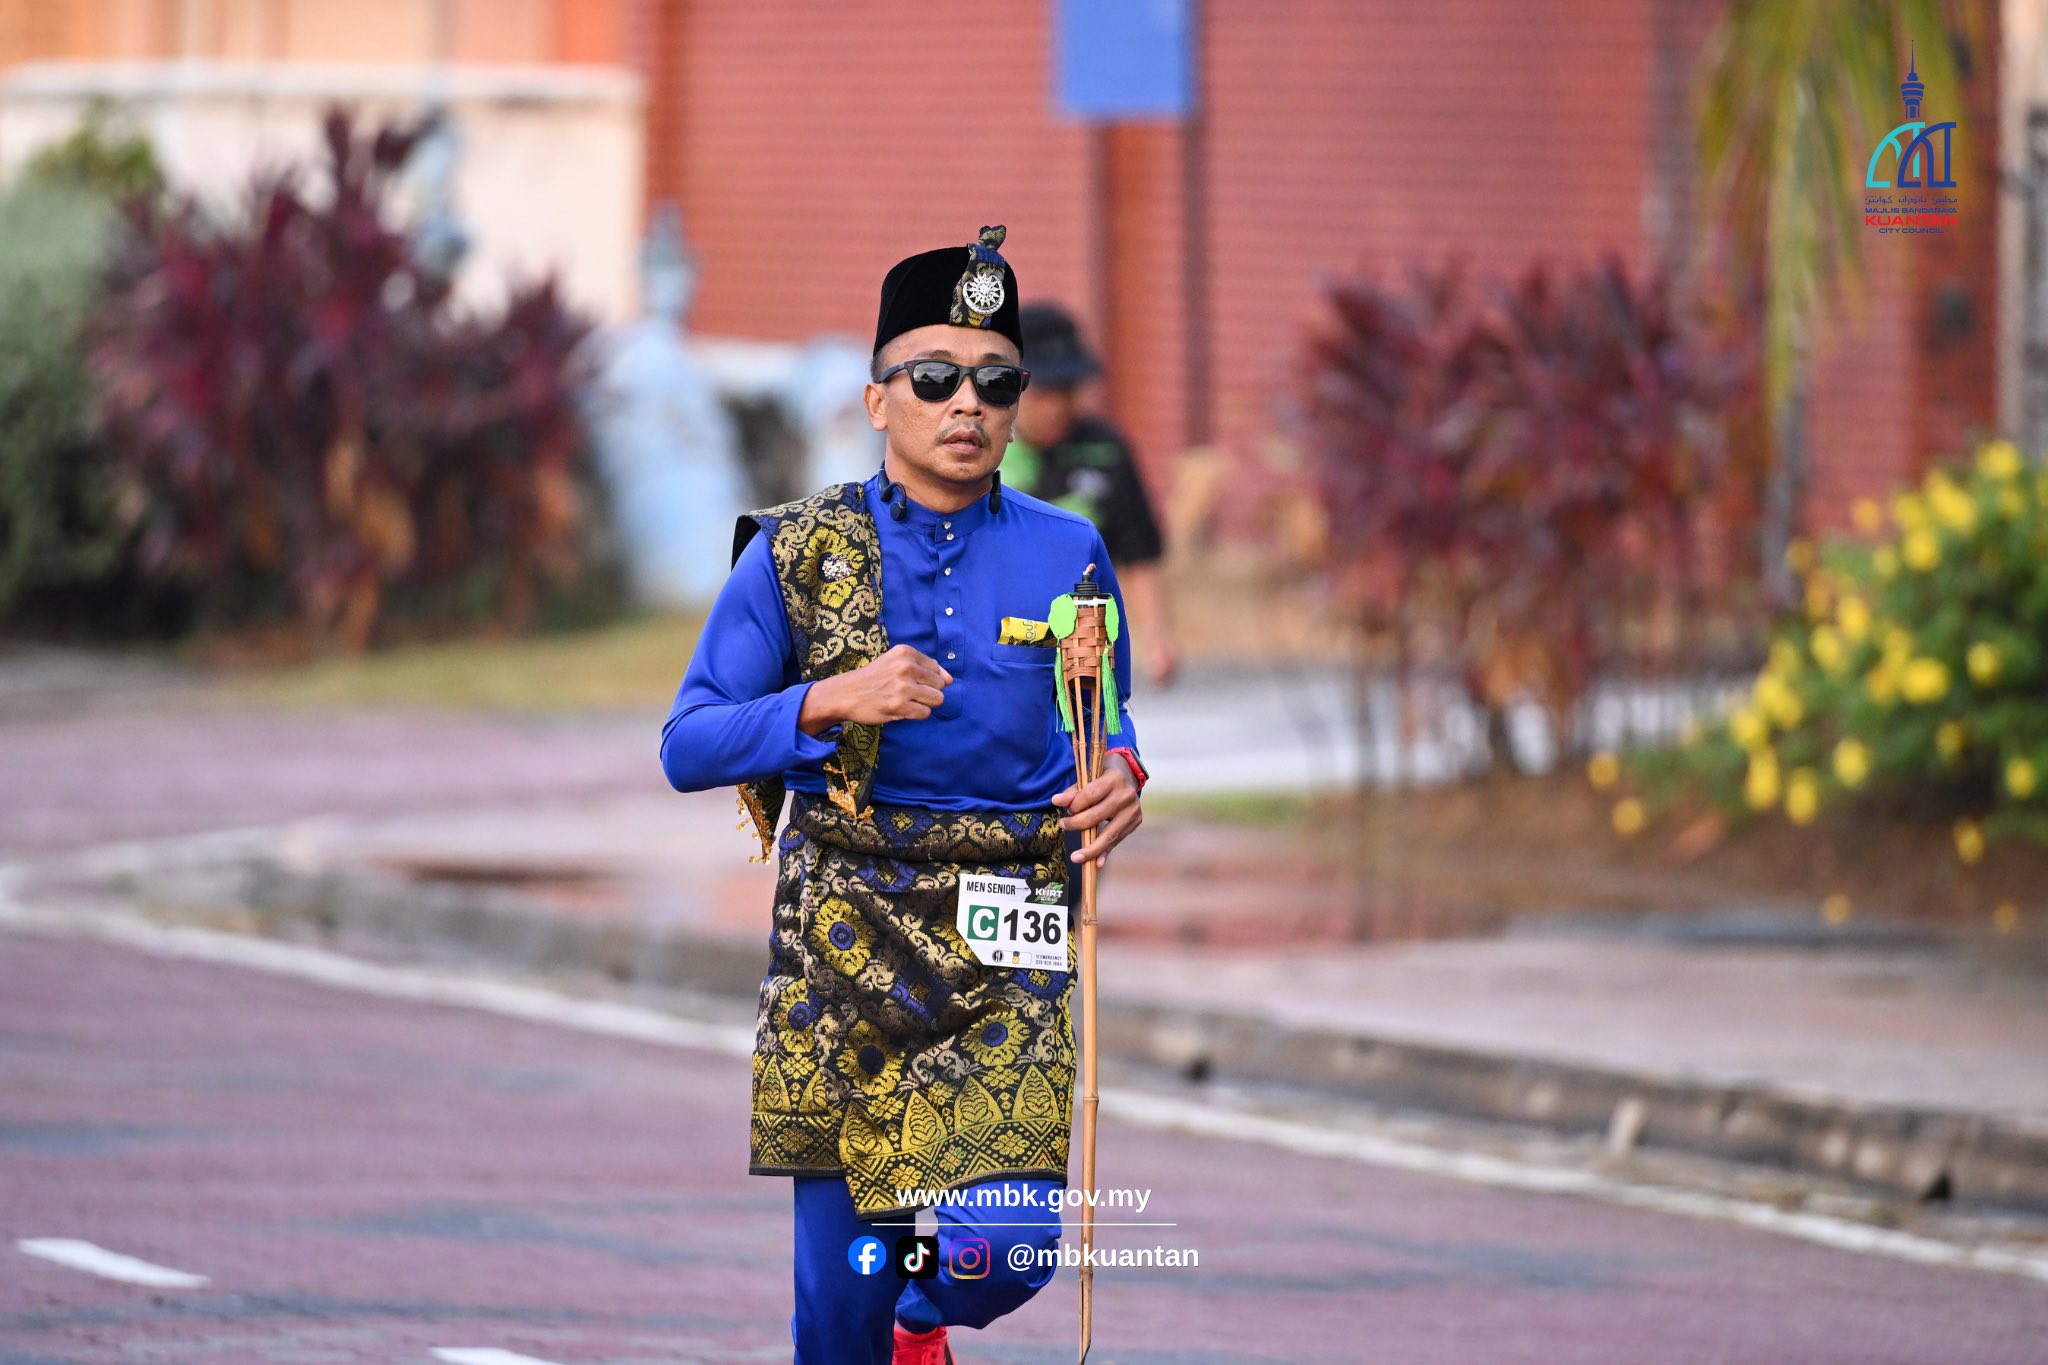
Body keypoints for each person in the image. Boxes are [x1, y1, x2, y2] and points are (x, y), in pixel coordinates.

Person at [660, 225, 1151, 1365]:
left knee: (1004, 1248)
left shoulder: (1071, 552)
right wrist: (831, 699)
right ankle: (878, 1323)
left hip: (1009, 934)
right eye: (933, 377)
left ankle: (920, 1322)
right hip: (845, 940)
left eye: (995, 381)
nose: (966, 403)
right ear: (877, 401)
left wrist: (1121, 773)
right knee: (840, 1307)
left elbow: (1105, 712)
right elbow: (688, 743)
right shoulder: (795, 555)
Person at [1005, 302, 1179, 688]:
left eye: (1067, 392)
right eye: (1044, 394)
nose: (1057, 408)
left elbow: (1138, 551)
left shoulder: (1104, 449)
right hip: (1000, 639)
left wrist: (1157, 639)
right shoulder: (985, 453)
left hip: (1083, 643)